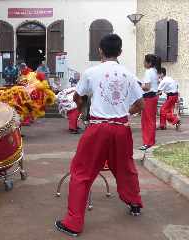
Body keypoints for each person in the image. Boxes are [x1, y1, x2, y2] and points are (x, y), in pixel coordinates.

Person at [55, 34, 144, 237]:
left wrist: (83, 111)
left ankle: (73, 223)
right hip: (121, 129)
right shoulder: (129, 75)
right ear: (120, 52)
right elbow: (141, 105)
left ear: (100, 51)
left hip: (98, 128)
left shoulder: (91, 72)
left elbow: (78, 97)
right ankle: (135, 203)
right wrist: (122, 112)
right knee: (125, 167)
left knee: (82, 173)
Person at [139, 54, 161, 150]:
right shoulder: (155, 71)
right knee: (151, 120)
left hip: (148, 98)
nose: (143, 63)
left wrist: (139, 85)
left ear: (149, 63)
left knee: (146, 121)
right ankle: (150, 141)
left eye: (145, 61)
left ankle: (147, 143)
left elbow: (147, 87)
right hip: (153, 97)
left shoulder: (148, 71)